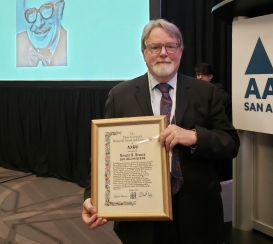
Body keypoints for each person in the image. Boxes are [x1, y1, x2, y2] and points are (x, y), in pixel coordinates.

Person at [82, 19, 240, 244]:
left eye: (171, 46)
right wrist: (92, 196)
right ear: (144, 52)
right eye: (155, 47)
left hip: (197, 212)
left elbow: (231, 143)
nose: (163, 53)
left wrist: (194, 136)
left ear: (181, 51)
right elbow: (102, 153)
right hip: (141, 214)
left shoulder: (206, 92)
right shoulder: (120, 95)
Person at [16, 0, 67, 67]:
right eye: (31, 13)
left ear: (60, 9)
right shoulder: (16, 44)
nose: (38, 24)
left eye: (46, 9)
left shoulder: (74, 48)